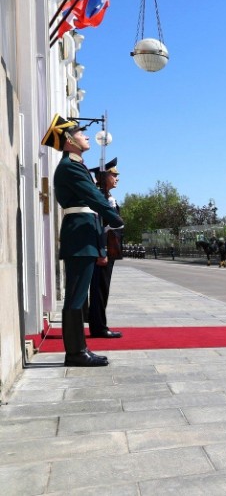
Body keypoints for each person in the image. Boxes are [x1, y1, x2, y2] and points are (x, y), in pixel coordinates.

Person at [41, 114, 123, 367]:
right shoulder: (70, 166)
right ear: (69, 139)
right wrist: (114, 217)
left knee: (77, 297)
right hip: (79, 236)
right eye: (80, 133)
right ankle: (75, 353)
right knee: (76, 298)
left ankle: (80, 349)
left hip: (84, 234)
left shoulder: (76, 165)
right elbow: (92, 197)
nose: (86, 136)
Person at [87, 157, 124, 339]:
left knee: (103, 287)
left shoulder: (108, 198)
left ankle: (99, 324)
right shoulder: (99, 198)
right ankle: (98, 327)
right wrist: (101, 250)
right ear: (103, 176)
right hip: (102, 248)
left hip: (109, 248)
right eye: (113, 174)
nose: (117, 178)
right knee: (99, 288)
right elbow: (97, 227)